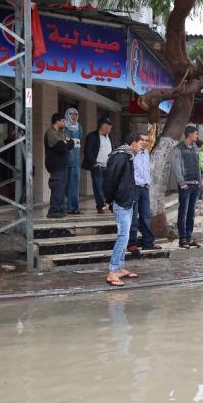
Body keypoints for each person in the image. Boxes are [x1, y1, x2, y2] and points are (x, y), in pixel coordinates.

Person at [102, 132, 145, 286]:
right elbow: (111, 179)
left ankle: (119, 268)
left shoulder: (127, 156)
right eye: (140, 143)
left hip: (128, 200)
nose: (142, 146)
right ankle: (112, 271)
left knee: (125, 236)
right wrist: (108, 200)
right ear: (132, 142)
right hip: (121, 201)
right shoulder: (121, 156)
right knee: (123, 237)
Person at [127, 132, 161, 254]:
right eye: (142, 139)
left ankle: (148, 242)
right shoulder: (131, 153)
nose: (145, 142)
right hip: (134, 187)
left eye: (147, 140)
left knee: (146, 216)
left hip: (144, 188)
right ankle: (131, 243)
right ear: (137, 140)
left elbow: (146, 170)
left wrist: (148, 183)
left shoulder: (146, 153)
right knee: (133, 217)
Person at [172, 125, 202, 249]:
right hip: (185, 185)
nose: (197, 135)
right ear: (189, 134)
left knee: (191, 213)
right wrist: (182, 182)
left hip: (195, 184)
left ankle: (189, 238)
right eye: (196, 133)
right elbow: (176, 167)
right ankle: (182, 239)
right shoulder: (178, 148)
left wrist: (200, 181)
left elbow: (198, 165)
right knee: (183, 212)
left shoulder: (195, 148)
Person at [44, 113, 75, 219]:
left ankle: (60, 209)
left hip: (62, 164)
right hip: (55, 164)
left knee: (61, 188)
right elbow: (60, 146)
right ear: (57, 121)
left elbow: (72, 144)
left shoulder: (61, 133)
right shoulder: (50, 132)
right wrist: (64, 142)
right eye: (63, 121)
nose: (65, 123)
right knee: (57, 187)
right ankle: (53, 211)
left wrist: (65, 142)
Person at [82, 117, 114, 213]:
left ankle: (109, 204)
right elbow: (88, 151)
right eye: (109, 126)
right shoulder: (92, 136)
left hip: (108, 166)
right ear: (103, 126)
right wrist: (94, 163)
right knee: (98, 187)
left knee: (108, 187)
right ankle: (100, 206)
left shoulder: (110, 137)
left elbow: (114, 148)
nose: (110, 128)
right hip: (97, 166)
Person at [63, 108, 83, 214]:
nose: (74, 116)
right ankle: (64, 206)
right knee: (65, 183)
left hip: (76, 159)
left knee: (75, 183)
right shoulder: (64, 126)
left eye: (76, 114)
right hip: (66, 158)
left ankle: (74, 207)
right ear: (68, 115)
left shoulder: (79, 126)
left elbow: (80, 138)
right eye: (72, 114)